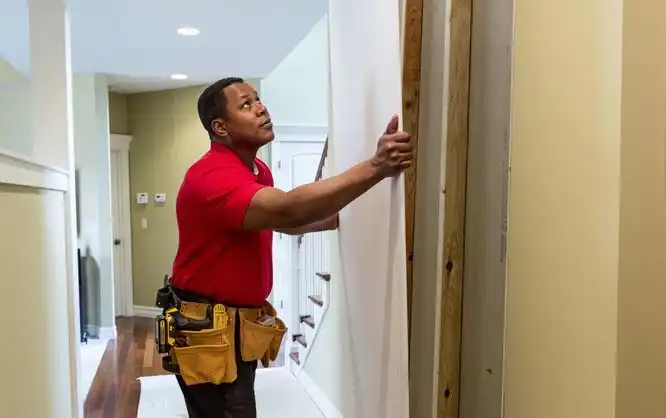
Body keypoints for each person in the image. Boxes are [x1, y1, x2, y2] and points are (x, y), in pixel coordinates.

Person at [168, 76, 413, 418]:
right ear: (220, 127)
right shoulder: (211, 177)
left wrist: (324, 220)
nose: (261, 108)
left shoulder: (256, 169)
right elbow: (287, 207)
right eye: (246, 104)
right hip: (207, 327)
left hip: (233, 327)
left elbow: (273, 219)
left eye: (258, 99)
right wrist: (376, 166)